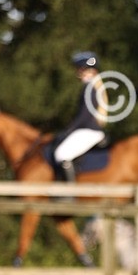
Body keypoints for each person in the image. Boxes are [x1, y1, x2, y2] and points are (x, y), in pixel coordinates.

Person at [52, 51, 108, 181]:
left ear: (88, 70)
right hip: (89, 129)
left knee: (61, 154)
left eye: (80, 69)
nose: (78, 73)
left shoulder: (90, 87)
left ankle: (69, 193)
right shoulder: (94, 86)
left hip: (89, 130)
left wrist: (69, 130)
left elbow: (85, 115)